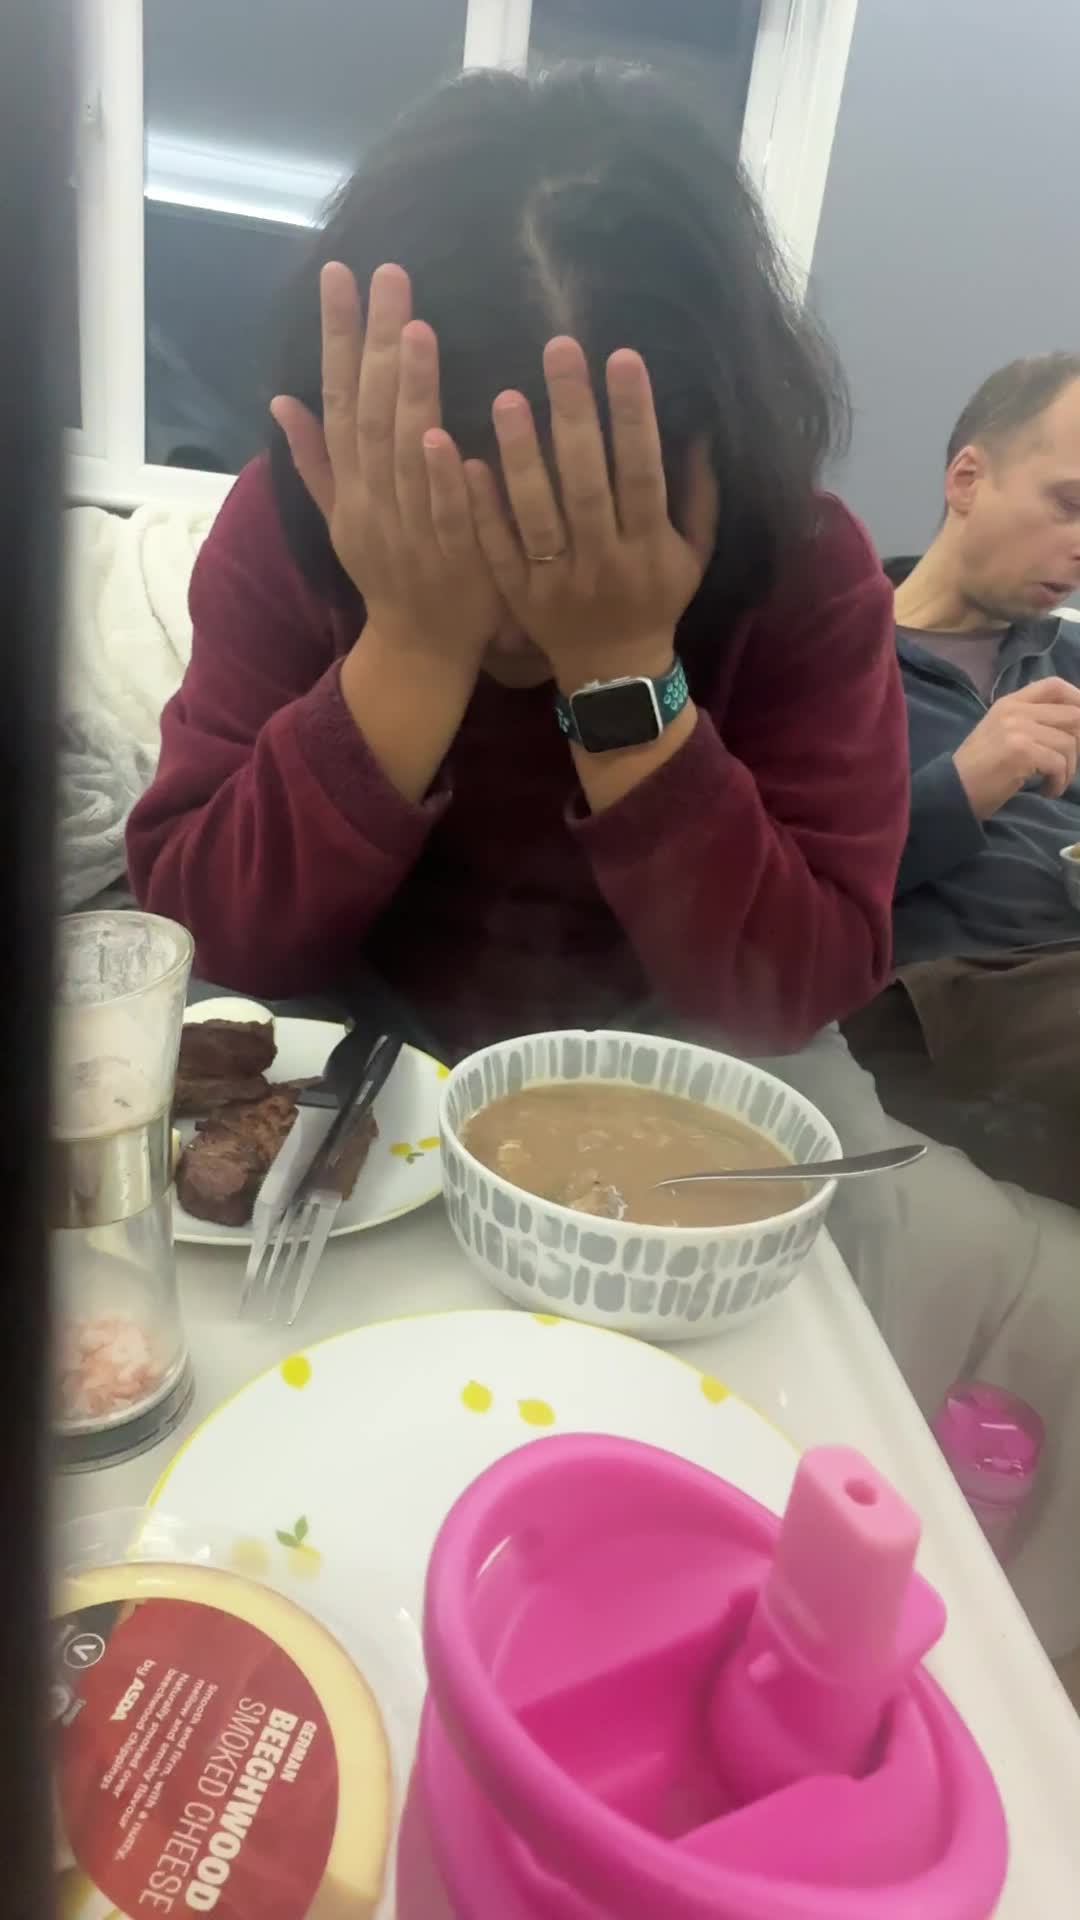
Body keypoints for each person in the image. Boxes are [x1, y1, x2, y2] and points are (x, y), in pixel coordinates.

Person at [128, 68, 1080, 1660]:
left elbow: (789, 985)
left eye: (588, 525)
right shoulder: (290, 533)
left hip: (691, 1059)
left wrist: (624, 668)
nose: (523, 598)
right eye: (463, 526)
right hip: (356, 1056)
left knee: (828, 1380)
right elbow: (205, 932)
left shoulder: (808, 573)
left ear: (722, 461)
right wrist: (407, 641)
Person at [846, 354, 1080, 1205]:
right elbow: (784, 888)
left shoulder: (1069, 657)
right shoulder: (835, 658)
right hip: (946, 994)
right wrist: (965, 784)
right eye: (1070, 505)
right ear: (967, 479)